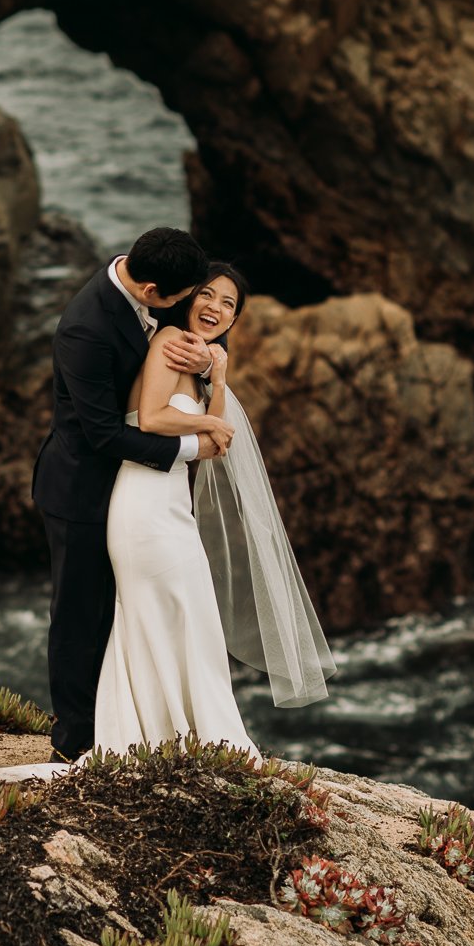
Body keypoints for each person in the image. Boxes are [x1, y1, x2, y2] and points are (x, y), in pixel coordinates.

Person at [93, 264, 335, 761]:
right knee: (162, 613)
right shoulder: (169, 342)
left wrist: (217, 376)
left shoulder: (201, 360)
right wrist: (207, 423)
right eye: (208, 295)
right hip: (142, 503)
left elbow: (217, 432)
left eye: (229, 304)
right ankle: (159, 738)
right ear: (188, 298)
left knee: (191, 616)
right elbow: (156, 417)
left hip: (170, 503)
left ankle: (188, 738)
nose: (216, 308)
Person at [31, 227, 229, 763]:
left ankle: (134, 723)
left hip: (136, 488)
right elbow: (102, 434)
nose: (192, 303)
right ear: (147, 292)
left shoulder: (165, 279)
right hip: (81, 490)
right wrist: (194, 447)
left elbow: (205, 326)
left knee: (132, 608)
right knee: (80, 617)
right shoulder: (84, 330)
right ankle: (73, 745)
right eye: (181, 298)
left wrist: (210, 361)